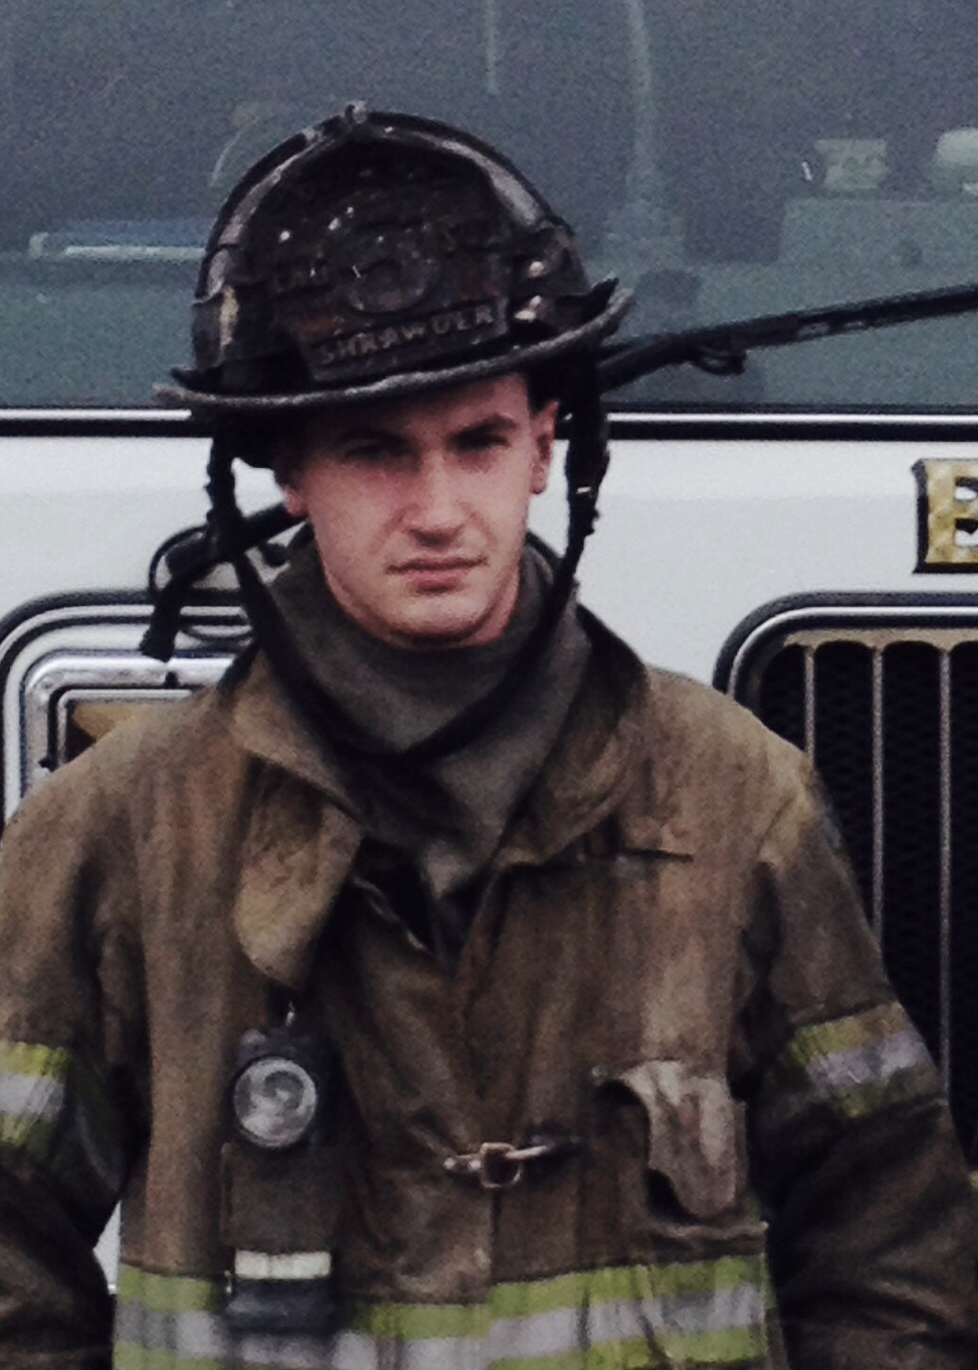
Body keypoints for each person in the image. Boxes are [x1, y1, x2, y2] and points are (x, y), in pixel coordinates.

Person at [0, 105, 975, 1370]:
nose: (438, 510)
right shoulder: (119, 829)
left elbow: (891, 1236)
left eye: (478, 442)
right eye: (375, 452)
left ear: (542, 448)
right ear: (287, 470)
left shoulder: (737, 798)